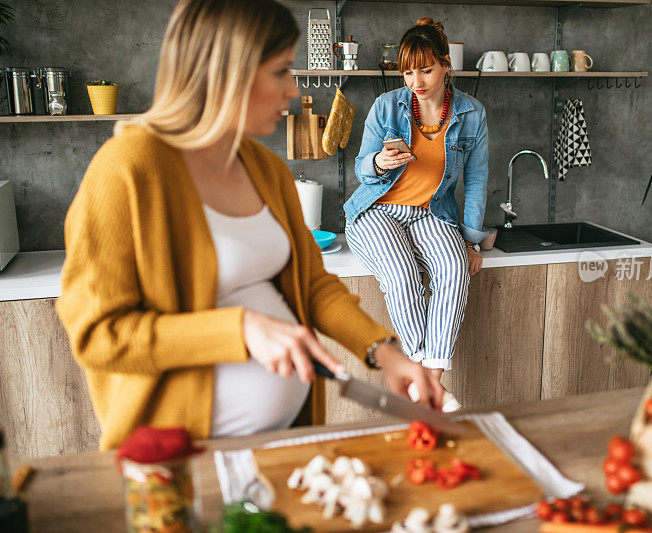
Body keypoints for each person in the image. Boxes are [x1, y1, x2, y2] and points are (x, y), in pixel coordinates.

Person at [55, 0, 444, 451]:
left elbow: (314, 284)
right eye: (281, 71)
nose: (294, 91)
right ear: (228, 72)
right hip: (181, 459)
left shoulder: (265, 168)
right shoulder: (128, 168)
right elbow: (98, 336)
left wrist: (386, 354)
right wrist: (240, 329)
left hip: (282, 444)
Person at [344, 18, 489, 410]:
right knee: (403, 272)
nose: (416, 81)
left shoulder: (471, 114)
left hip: (431, 211)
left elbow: (475, 182)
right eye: (408, 71)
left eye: (426, 69)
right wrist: (379, 161)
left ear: (445, 65)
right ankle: (429, 387)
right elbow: (360, 167)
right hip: (378, 207)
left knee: (455, 268)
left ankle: (429, 383)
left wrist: (472, 242)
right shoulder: (386, 107)